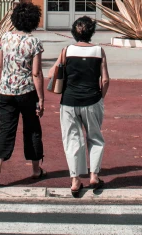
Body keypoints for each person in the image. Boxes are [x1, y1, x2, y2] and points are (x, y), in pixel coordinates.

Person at [0, 2, 45, 186]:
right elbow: (36, 73)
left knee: (5, 129)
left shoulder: (4, 38)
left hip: (6, 91)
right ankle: (36, 169)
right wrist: (41, 98)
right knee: (32, 129)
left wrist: (1, 84)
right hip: (27, 91)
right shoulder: (34, 42)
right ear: (34, 21)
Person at [51, 15, 110, 197]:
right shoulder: (99, 51)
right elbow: (105, 79)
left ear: (73, 32)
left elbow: (53, 73)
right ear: (92, 32)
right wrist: (101, 97)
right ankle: (94, 175)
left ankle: (76, 180)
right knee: (95, 138)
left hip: (69, 101)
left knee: (72, 139)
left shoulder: (66, 50)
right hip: (92, 99)